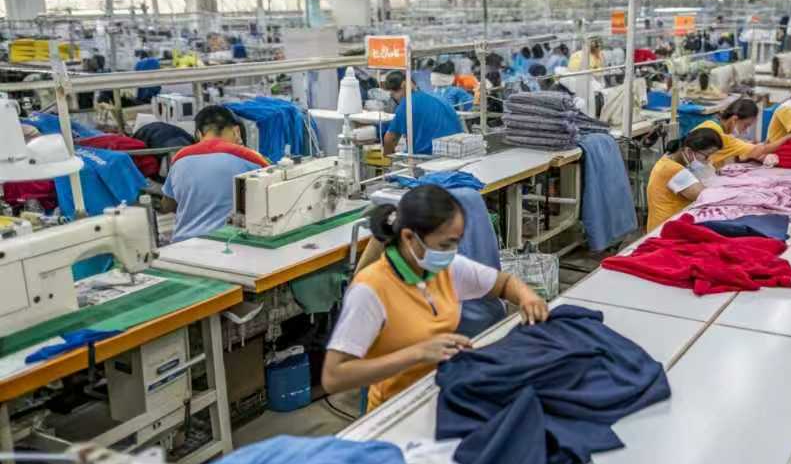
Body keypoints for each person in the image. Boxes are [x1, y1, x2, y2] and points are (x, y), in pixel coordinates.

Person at [321, 185, 549, 412]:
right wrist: (417, 354)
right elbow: (333, 377)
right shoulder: (370, 291)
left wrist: (528, 298)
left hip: (442, 392)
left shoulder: (446, 269)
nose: (452, 252)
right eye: (445, 245)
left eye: (456, 242)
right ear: (409, 237)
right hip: (395, 408)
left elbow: (504, 284)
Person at [162, 105, 269, 242]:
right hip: (229, 244)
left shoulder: (179, 158)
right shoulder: (250, 159)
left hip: (183, 245)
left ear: (198, 134)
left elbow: (167, 205)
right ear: (236, 130)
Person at [645, 128, 723, 231]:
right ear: (689, 151)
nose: (709, 161)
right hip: (664, 229)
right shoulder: (671, 169)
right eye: (707, 156)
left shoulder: (673, 158)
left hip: (674, 222)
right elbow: (704, 196)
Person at [691, 98, 791, 169]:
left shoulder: (711, 124)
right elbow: (762, 150)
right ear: (734, 119)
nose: (746, 130)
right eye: (746, 125)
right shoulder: (719, 135)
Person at [381, 70, 462, 156]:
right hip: (456, 151)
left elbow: (390, 139)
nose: (396, 100)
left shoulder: (407, 103)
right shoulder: (436, 97)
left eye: (393, 95)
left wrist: (388, 160)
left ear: (401, 88)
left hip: (430, 156)